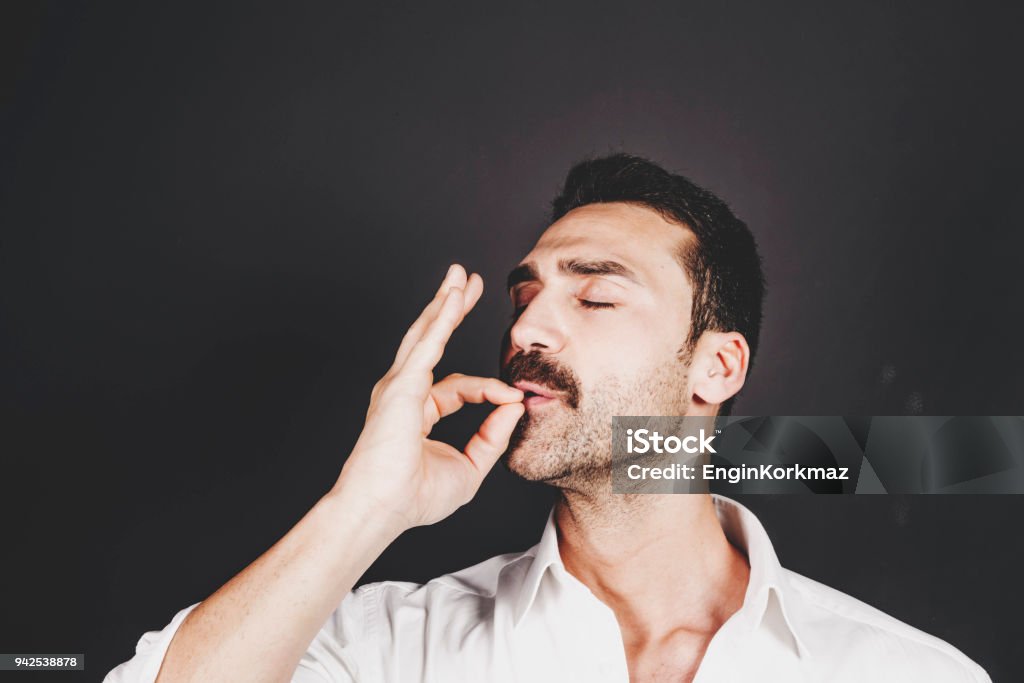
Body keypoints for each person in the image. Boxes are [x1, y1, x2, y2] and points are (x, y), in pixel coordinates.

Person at [106, 154, 990, 682]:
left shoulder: (907, 671)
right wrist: (362, 509)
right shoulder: (399, 645)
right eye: (524, 297)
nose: (526, 328)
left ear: (717, 367)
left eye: (596, 295)